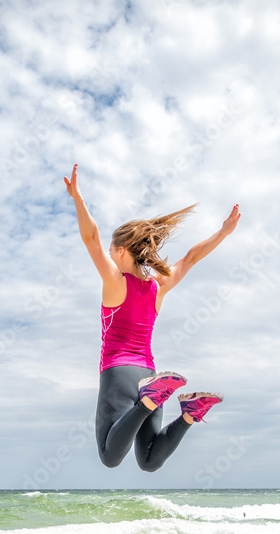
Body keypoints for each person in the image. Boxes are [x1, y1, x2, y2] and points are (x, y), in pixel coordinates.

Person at [63, 163, 241, 472]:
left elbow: (90, 237)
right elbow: (191, 258)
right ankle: (189, 413)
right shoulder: (158, 286)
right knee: (147, 460)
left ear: (120, 252)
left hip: (118, 372)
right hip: (147, 371)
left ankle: (149, 401)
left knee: (109, 456)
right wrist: (223, 233)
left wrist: (78, 198)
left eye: (110, 250)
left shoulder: (115, 281)